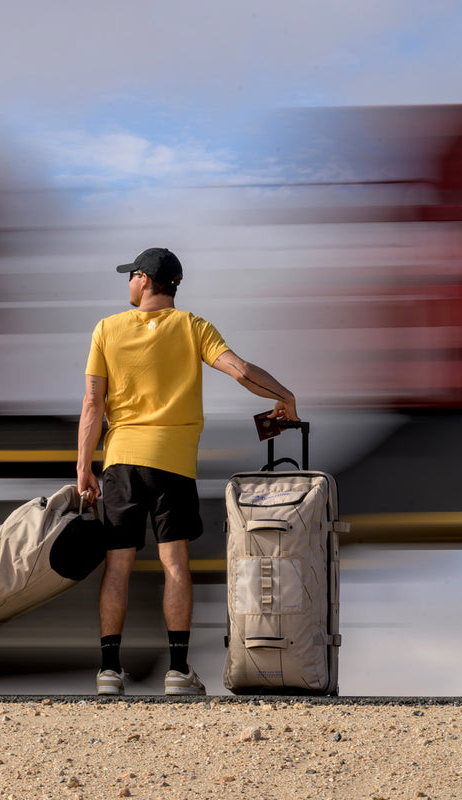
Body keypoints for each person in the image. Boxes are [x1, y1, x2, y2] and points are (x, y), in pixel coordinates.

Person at [76, 247, 299, 696]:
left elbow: (92, 405)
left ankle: (109, 672)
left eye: (130, 277)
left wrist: (85, 467)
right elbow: (239, 372)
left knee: (117, 565)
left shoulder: (107, 329)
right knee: (174, 563)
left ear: (142, 279)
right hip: (172, 463)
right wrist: (284, 395)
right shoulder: (194, 327)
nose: (128, 285)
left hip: (120, 461)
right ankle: (178, 671)